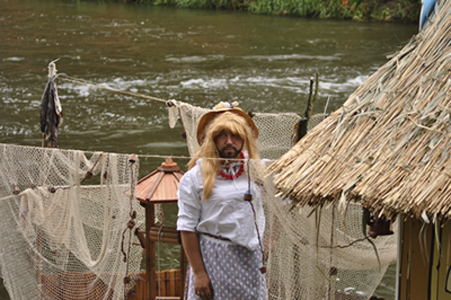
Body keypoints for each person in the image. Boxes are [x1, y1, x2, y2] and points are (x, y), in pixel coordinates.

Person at [177, 102, 266, 300]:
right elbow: (186, 227)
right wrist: (199, 273)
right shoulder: (194, 178)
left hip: (250, 258)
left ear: (244, 140)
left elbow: (283, 201)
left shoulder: (258, 171)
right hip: (213, 258)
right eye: (222, 135)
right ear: (212, 139)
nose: (229, 141)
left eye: (235, 136)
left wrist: (271, 239)